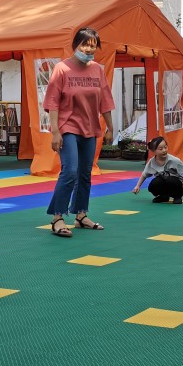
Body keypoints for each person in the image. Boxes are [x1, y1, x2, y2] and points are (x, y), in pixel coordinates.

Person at [44, 26, 115, 237]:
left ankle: (81, 215)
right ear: (76, 45)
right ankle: (57, 218)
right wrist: (55, 132)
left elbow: (105, 101)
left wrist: (110, 127)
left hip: (90, 128)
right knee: (70, 171)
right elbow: (53, 102)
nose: (89, 49)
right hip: (67, 127)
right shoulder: (62, 69)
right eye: (85, 44)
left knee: (85, 173)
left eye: (93, 46)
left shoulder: (98, 70)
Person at [132, 136, 183, 204]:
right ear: (153, 151)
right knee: (154, 183)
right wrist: (138, 186)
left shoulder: (174, 160)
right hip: (164, 182)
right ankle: (163, 196)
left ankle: (177, 196)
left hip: (175, 183)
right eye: (160, 149)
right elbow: (144, 174)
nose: (164, 150)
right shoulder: (152, 162)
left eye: (165, 147)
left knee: (170, 180)